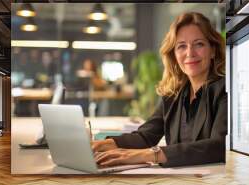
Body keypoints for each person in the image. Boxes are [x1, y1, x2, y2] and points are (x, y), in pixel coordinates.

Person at [92, 12, 227, 168]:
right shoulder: (173, 95)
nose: (190, 53)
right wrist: (100, 145)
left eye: (199, 44)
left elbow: (219, 146)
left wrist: (151, 155)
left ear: (213, 50)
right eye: (181, 46)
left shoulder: (224, 90)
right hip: (177, 183)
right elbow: (145, 136)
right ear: (174, 54)